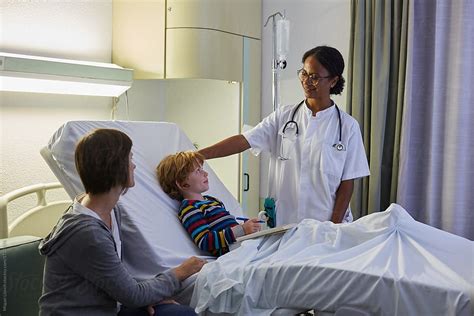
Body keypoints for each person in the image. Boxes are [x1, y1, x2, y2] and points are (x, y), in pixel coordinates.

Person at [39, 129, 206, 316]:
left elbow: (118, 280)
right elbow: (133, 295)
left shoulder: (111, 211)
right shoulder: (88, 233)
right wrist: (181, 272)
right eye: (129, 159)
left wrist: (148, 297)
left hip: (111, 305)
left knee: (174, 311)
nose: (133, 166)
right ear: (114, 166)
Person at [199, 45, 370, 225]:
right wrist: (199, 155)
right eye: (304, 73)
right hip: (284, 223)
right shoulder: (284, 116)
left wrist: (333, 227)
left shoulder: (348, 127)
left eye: (315, 77)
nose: (306, 81)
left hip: (324, 224)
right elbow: (244, 140)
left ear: (333, 81)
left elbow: (347, 183)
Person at [156, 151, 261, 257]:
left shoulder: (213, 201)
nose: (205, 173)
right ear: (182, 183)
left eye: (202, 169)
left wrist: (247, 227)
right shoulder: (190, 209)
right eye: (198, 171)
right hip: (231, 251)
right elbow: (204, 241)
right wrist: (241, 230)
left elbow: (227, 227)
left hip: (241, 242)